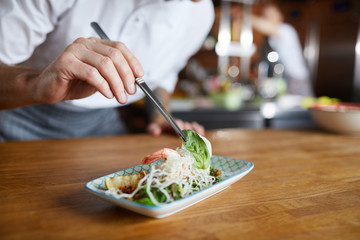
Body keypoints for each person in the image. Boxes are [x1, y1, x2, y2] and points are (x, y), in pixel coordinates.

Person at [0, 0, 213, 141]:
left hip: (101, 126)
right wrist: (36, 84)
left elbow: (160, 79)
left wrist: (160, 119)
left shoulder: (201, 15)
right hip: (16, 115)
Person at [251, 3, 314, 96]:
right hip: (284, 81)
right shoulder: (269, 39)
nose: (269, 18)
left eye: (272, 14)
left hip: (297, 80)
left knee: (304, 109)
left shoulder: (286, 30)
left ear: (280, 16)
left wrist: (244, 16)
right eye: (266, 16)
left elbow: (270, 27)